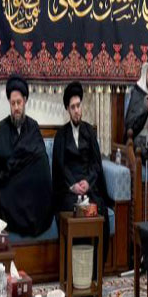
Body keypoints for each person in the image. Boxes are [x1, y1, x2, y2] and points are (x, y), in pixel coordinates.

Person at [0, 74, 53, 236]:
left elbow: (40, 160)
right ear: (9, 104)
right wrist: (13, 168)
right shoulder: (1, 129)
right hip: (10, 190)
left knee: (42, 162)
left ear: (25, 101)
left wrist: (23, 167)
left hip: (30, 190)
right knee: (3, 191)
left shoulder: (33, 127)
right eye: (13, 103)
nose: (16, 107)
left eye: (19, 102)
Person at [53, 81, 113, 262]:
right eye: (72, 107)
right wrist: (72, 186)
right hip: (69, 190)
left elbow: (96, 164)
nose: (76, 110)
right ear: (68, 110)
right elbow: (60, 166)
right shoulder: (61, 135)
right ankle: (74, 268)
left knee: (100, 210)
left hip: (89, 188)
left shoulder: (89, 131)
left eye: (78, 106)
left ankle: (95, 269)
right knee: (71, 211)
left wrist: (87, 182)